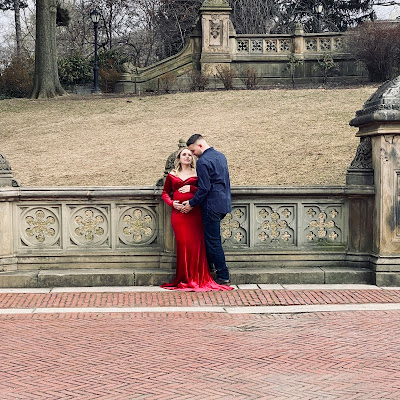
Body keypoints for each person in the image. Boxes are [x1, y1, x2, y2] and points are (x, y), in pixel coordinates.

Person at [161, 147, 233, 291]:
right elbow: (164, 193)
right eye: (184, 154)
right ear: (179, 158)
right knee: (183, 245)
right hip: (179, 215)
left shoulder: (197, 172)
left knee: (197, 245)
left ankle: (198, 277)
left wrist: (191, 189)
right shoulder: (172, 174)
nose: (187, 157)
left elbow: (205, 189)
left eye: (189, 154)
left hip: (195, 213)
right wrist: (172, 204)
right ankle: (184, 277)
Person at [181, 134, 231, 285]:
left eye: (193, 151)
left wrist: (191, 203)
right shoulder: (221, 156)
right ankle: (208, 269)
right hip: (224, 204)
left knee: (213, 241)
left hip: (211, 205)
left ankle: (223, 274)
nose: (193, 155)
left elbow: (204, 188)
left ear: (200, 146)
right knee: (210, 239)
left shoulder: (203, 162)